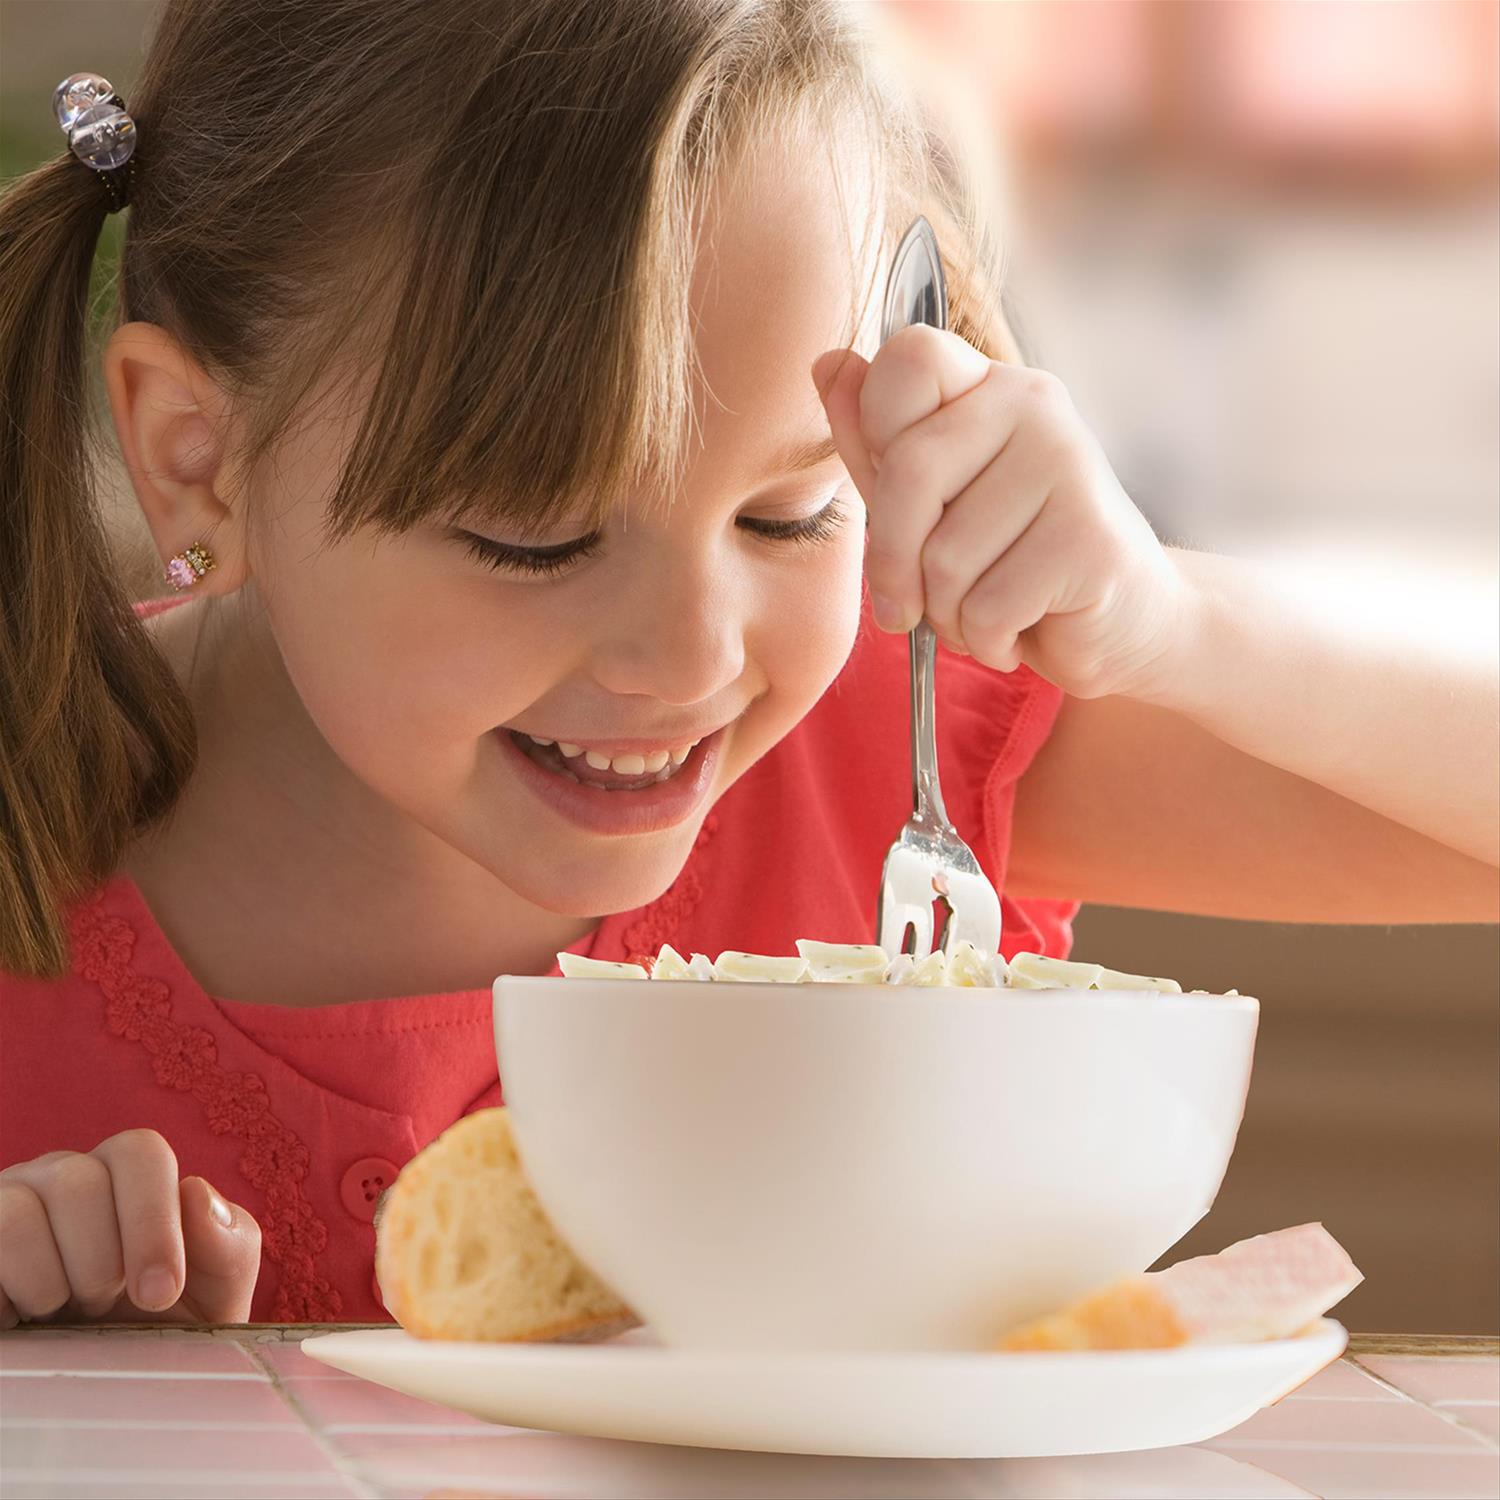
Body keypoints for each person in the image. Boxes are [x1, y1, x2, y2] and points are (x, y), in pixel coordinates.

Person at [1, 0, 1494, 1331]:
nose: (691, 659)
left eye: (794, 513)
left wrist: (1178, 625)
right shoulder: (29, 803)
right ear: (196, 458)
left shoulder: (887, 744)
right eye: (535, 540)